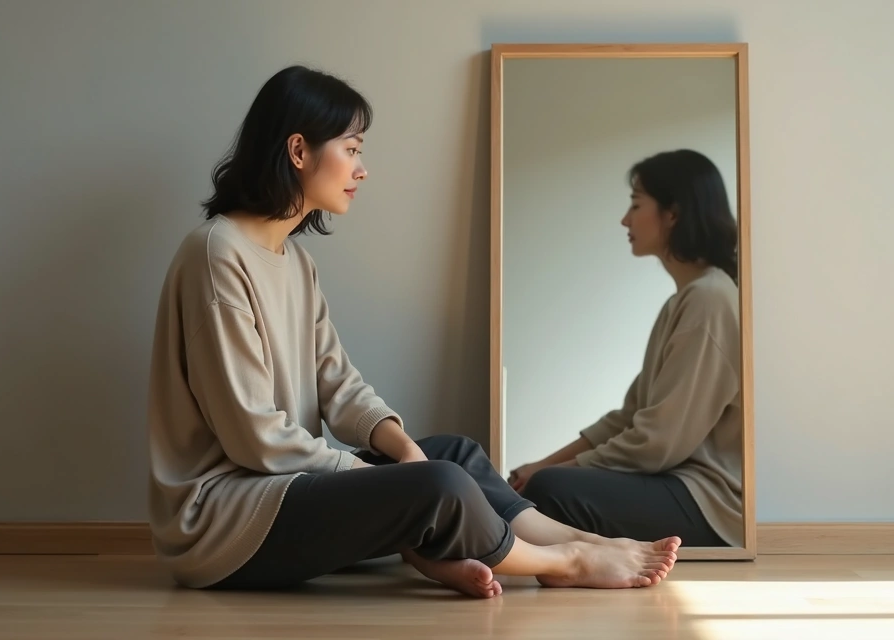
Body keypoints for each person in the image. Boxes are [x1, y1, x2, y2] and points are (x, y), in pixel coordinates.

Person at [145, 65, 679, 598]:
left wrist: (402, 449)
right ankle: (561, 562)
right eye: (352, 149)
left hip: (285, 488)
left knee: (452, 455)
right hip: (226, 520)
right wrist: (386, 477)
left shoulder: (296, 262)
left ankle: (577, 540)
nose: (361, 169)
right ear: (299, 151)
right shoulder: (217, 254)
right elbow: (254, 435)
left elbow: (339, 386)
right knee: (435, 484)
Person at [507, 149, 743, 549]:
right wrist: (541, 464)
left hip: (710, 502)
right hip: (679, 484)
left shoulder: (709, 299)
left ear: (673, 213)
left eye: (635, 204)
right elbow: (628, 417)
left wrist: (556, 472)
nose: (625, 220)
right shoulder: (684, 301)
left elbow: (659, 441)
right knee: (542, 484)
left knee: (551, 489)